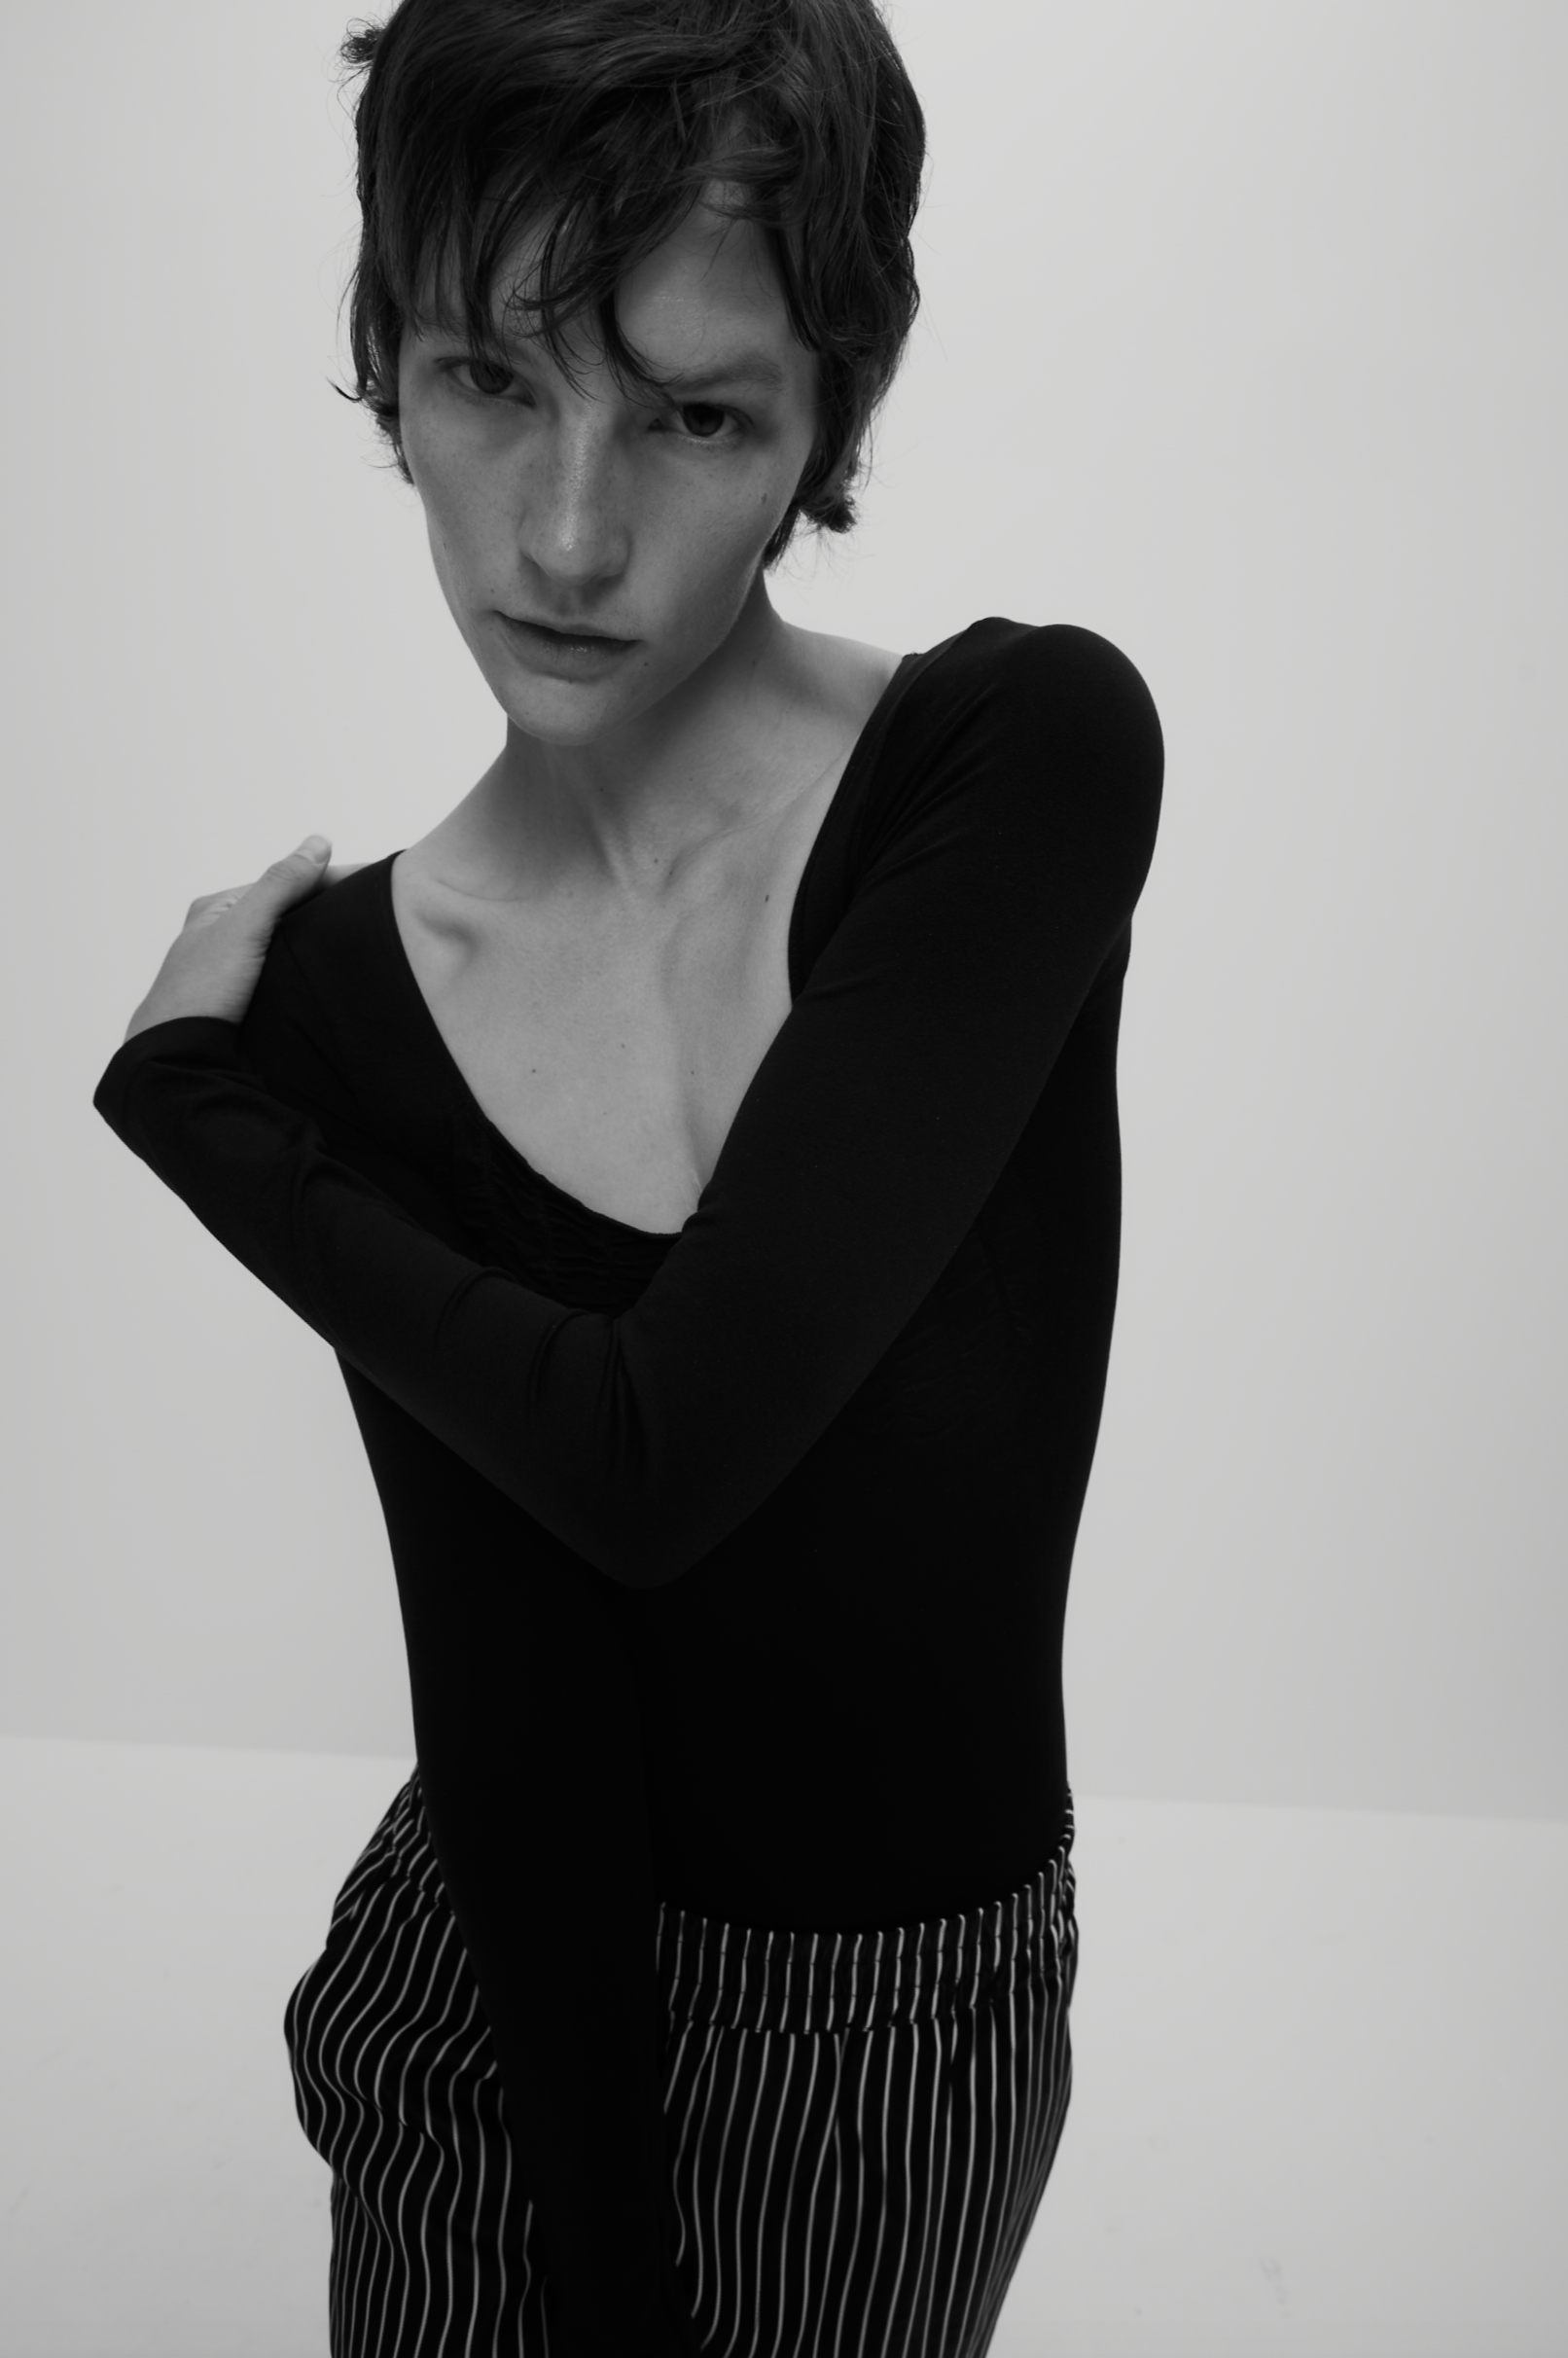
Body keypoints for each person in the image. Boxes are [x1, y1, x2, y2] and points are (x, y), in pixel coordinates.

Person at [92, 0, 1163, 2350]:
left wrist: (203, 1124)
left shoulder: (1015, 758)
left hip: (893, 2037)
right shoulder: (353, 992)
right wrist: (598, 2264)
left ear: (825, 418)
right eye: (489, 378)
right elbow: (514, 1684)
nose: (567, 535)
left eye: (691, 414)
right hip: (485, 2001)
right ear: (386, 362)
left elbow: (654, 1458)